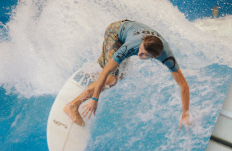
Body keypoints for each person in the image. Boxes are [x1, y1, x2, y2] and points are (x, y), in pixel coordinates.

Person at [62, 20, 190, 128]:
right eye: (140, 50)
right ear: (142, 43)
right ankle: (73, 105)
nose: (139, 55)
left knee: (120, 75)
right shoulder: (132, 46)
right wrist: (95, 99)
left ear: (156, 56)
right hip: (115, 33)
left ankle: (93, 77)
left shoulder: (167, 56)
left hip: (130, 32)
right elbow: (107, 70)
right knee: (111, 79)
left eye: (144, 54)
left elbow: (183, 85)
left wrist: (185, 113)